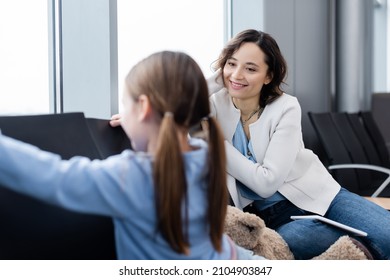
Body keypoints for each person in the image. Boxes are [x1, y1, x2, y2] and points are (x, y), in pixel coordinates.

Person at [0, 51, 264, 260]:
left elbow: (54, 177)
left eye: (125, 104)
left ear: (143, 107)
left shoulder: (134, 176)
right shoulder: (204, 154)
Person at [206, 29, 390, 260]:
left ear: (268, 76)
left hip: (322, 196)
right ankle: (365, 248)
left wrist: (217, 144)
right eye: (231, 64)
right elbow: (179, 105)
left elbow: (266, 184)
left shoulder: (286, 106)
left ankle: (369, 246)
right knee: (299, 242)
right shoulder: (214, 104)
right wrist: (219, 77)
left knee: (387, 236)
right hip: (276, 216)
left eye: (250, 68)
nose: (237, 75)